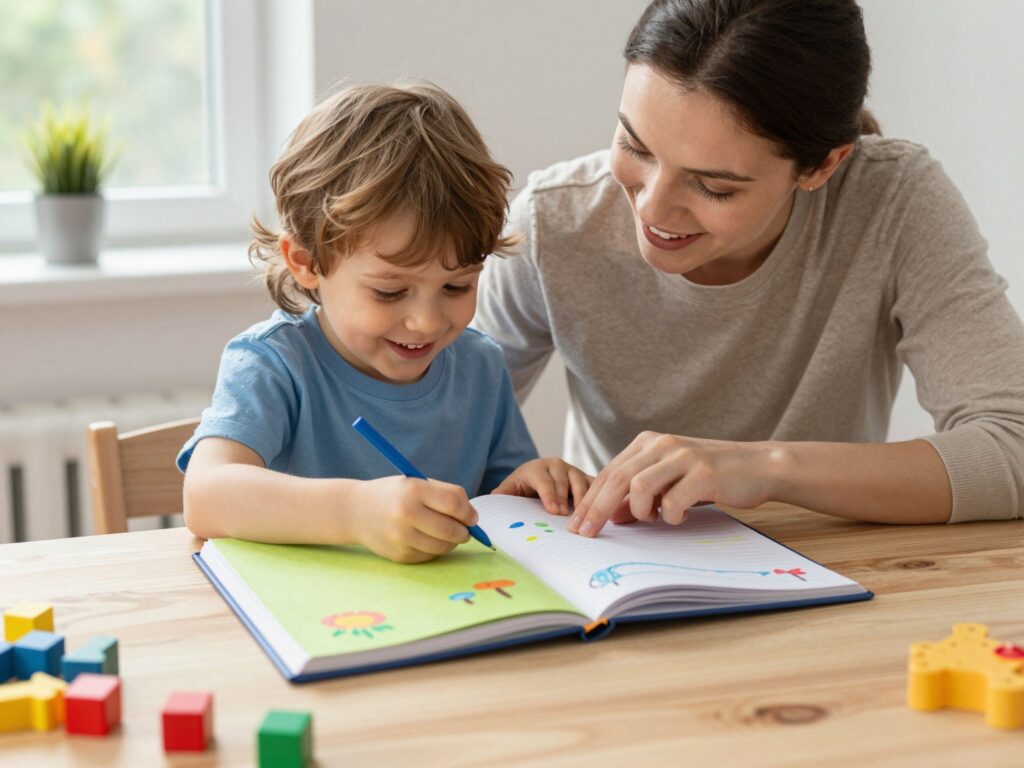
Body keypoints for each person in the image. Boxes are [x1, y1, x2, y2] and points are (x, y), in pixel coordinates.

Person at [474, 0, 1024, 536]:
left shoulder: (892, 203)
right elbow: (440, 435)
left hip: (837, 580)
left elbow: (1013, 444)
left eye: (713, 186)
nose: (653, 209)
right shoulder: (554, 222)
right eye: (635, 146)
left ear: (822, 165)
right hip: (621, 571)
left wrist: (765, 469)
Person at [178, 83, 591, 562]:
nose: (426, 322)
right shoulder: (273, 364)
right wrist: (354, 512)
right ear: (306, 262)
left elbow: (493, 511)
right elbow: (206, 496)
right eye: (390, 292)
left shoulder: (480, 365)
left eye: (456, 287)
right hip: (313, 620)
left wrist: (526, 487)